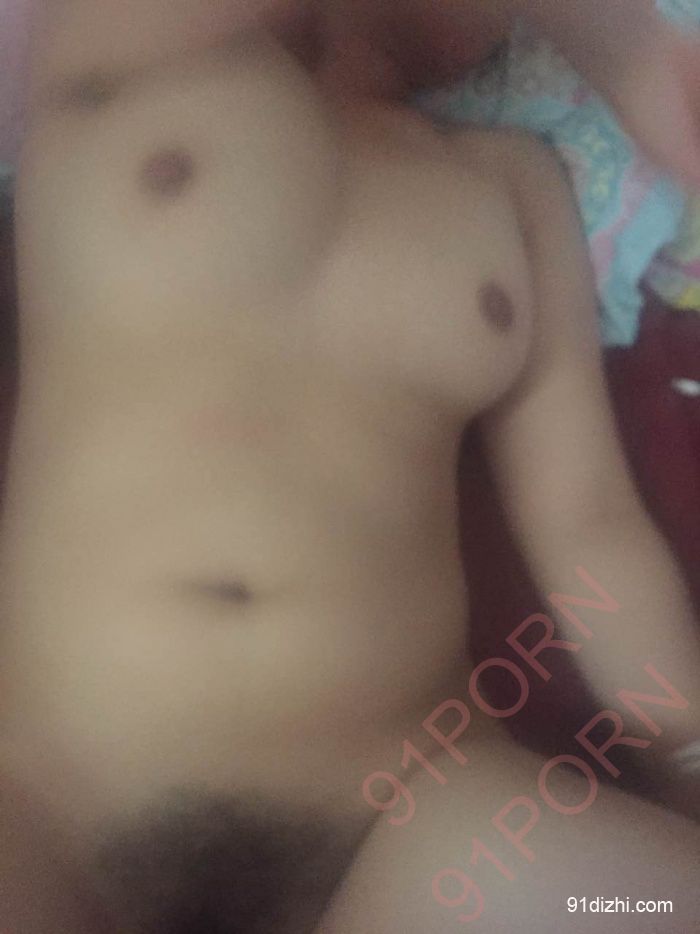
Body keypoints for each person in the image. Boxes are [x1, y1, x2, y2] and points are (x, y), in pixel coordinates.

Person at [1, 1, 699, 932]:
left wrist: (688, 754)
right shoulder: (128, 35)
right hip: (40, 795)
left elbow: (589, 523)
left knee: (653, 905)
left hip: (412, 821)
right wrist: (611, 34)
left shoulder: (512, 181)